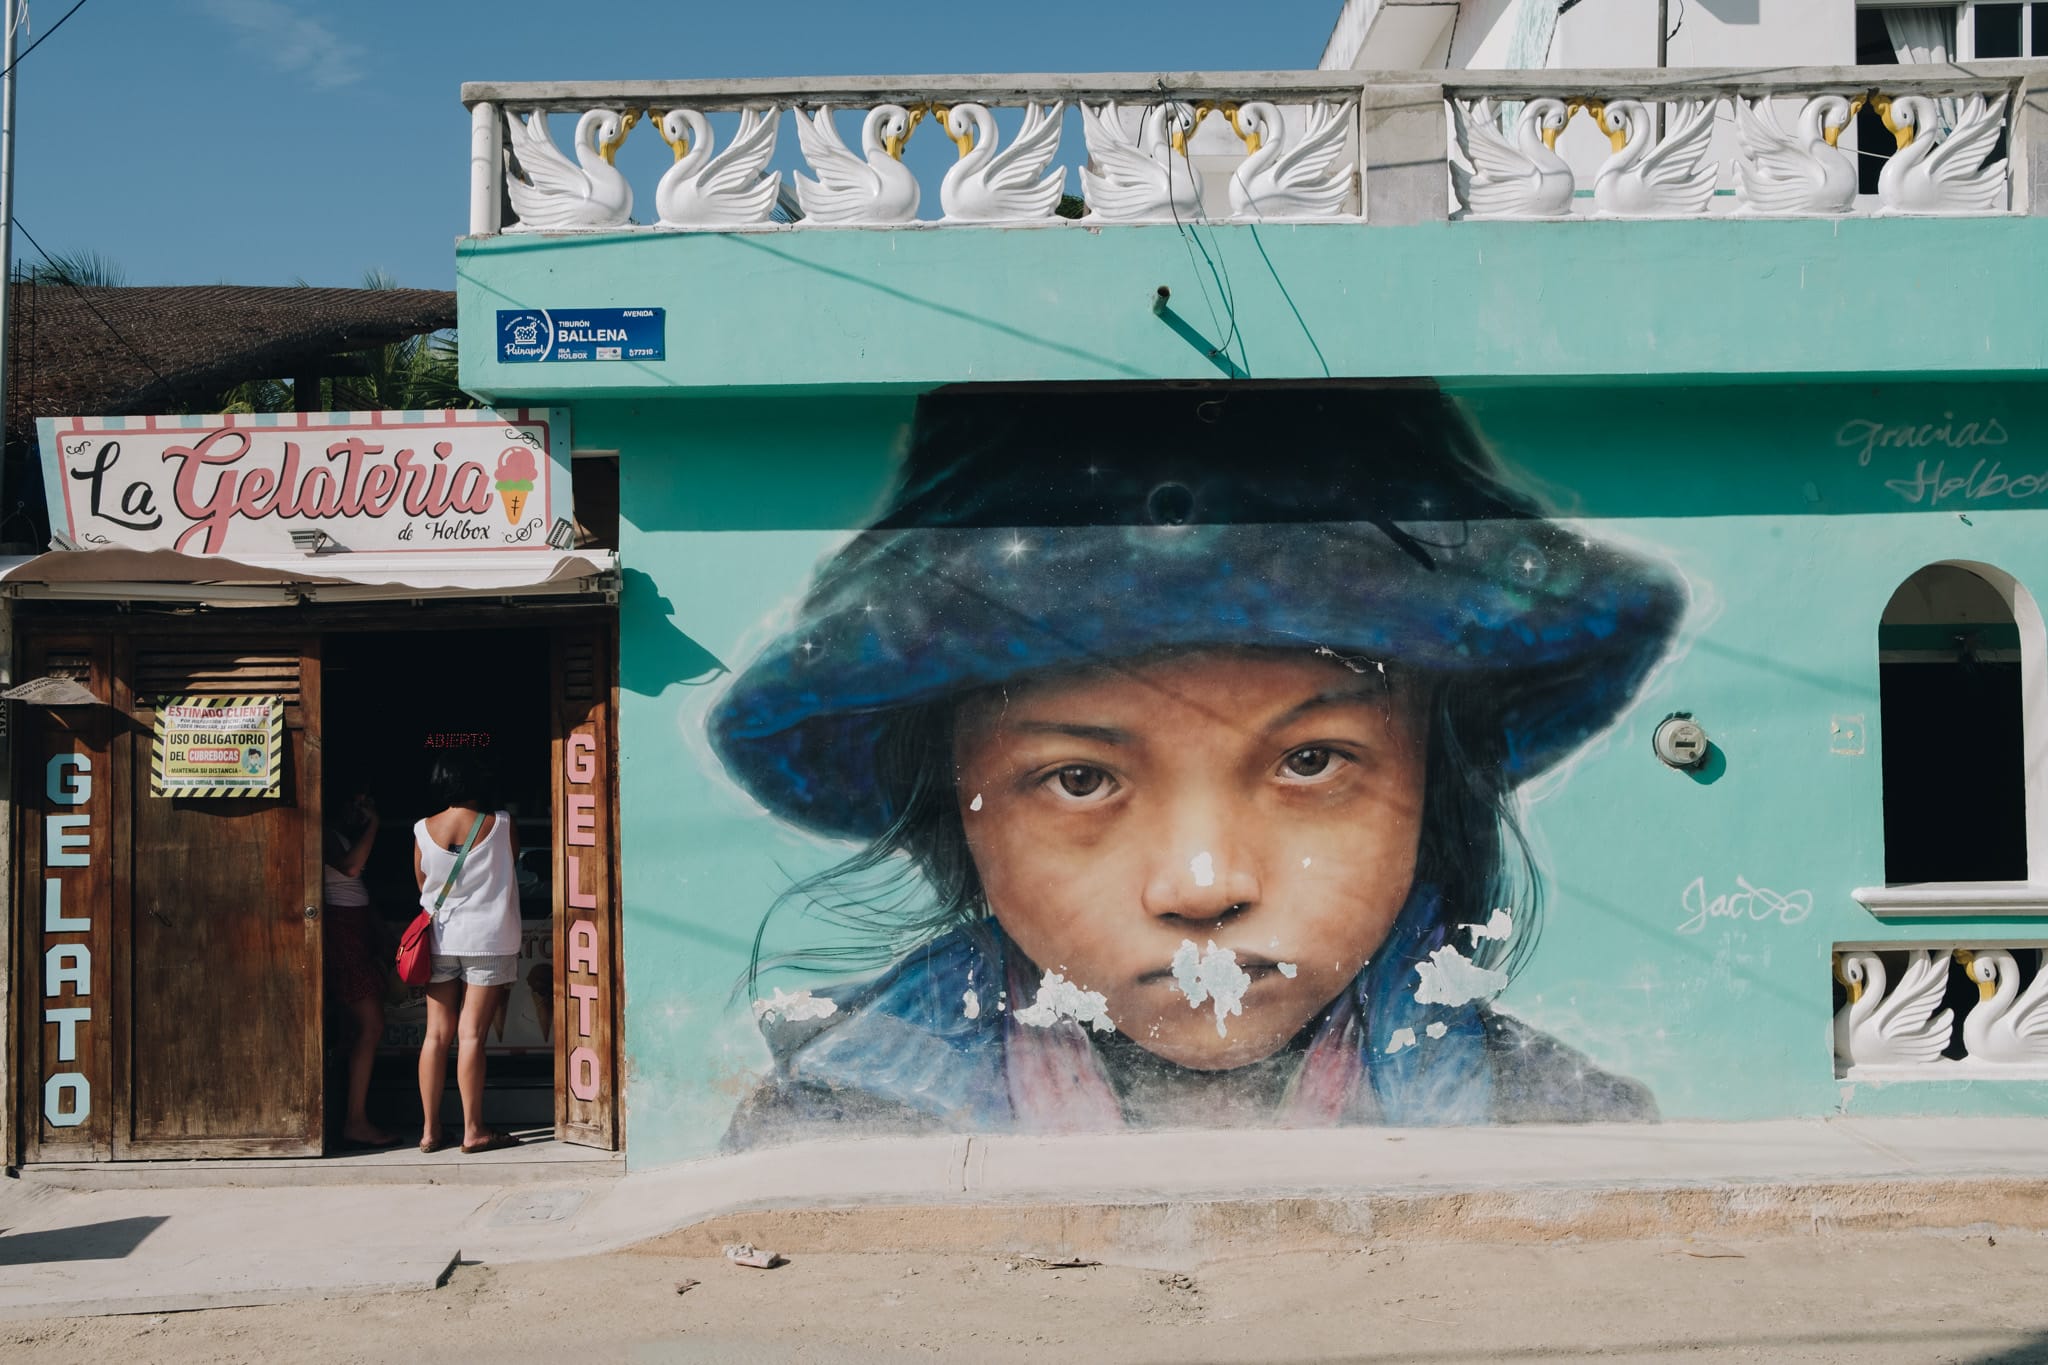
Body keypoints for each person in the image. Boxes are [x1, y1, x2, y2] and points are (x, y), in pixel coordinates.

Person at [708, 385, 1689, 1148]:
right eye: (1078, 780)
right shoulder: (827, 1129)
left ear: (1431, 780)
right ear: (956, 806)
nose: (1202, 887)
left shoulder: (1562, 1128)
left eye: (1311, 761)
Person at [414, 752, 522, 1154]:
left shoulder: (423, 828)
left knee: (436, 1035)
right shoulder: (502, 824)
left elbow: (423, 883)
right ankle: (473, 1130)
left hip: (440, 939)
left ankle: (429, 1130)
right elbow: (512, 865)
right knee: (472, 1034)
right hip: (488, 940)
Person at [324, 790, 398, 1150]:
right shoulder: (323, 834)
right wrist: (375, 824)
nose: (359, 810)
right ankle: (355, 1121)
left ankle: (346, 1115)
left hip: (353, 929)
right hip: (343, 933)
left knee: (353, 1033)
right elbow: (351, 869)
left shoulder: (337, 835)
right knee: (371, 1025)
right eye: (356, 802)